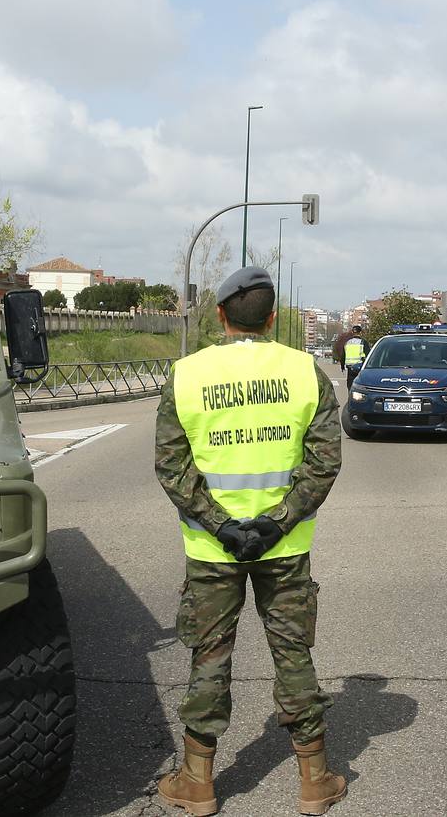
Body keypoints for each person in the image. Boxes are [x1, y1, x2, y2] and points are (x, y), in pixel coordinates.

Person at [154, 265, 346, 816]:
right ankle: (314, 782)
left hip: (213, 551)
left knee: (209, 657)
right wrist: (278, 522)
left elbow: (172, 466)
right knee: (292, 654)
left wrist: (221, 525)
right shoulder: (305, 373)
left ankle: (199, 784)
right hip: (283, 550)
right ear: (271, 318)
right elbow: (324, 463)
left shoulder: (187, 375)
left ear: (219, 315)